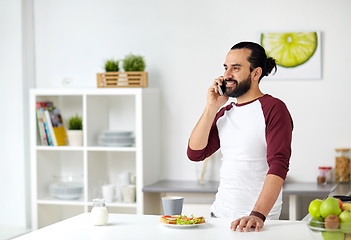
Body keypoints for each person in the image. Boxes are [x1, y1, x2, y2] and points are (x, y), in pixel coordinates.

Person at [187, 41, 293, 232]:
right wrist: (211, 107)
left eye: (236, 68)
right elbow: (195, 153)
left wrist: (257, 214)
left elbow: (279, 164)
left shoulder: (274, 108)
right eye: (226, 68)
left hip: (257, 221)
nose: (227, 75)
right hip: (220, 216)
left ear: (255, 73)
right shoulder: (224, 113)